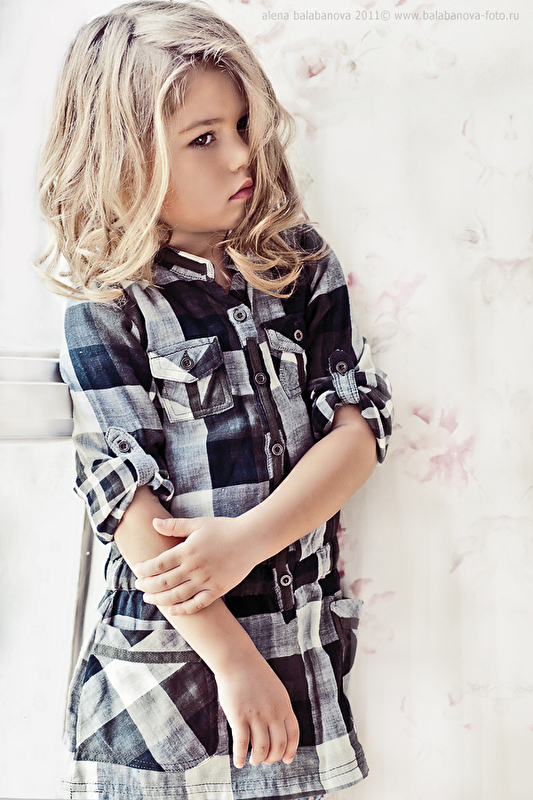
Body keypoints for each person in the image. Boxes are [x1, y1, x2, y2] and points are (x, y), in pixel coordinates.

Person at [38, 2, 393, 798]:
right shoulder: (109, 304)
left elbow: (358, 431)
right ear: (123, 161)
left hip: (293, 638)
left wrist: (246, 541)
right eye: (203, 138)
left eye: (242, 126)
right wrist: (232, 660)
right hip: (162, 662)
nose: (240, 155)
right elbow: (124, 500)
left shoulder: (298, 266)